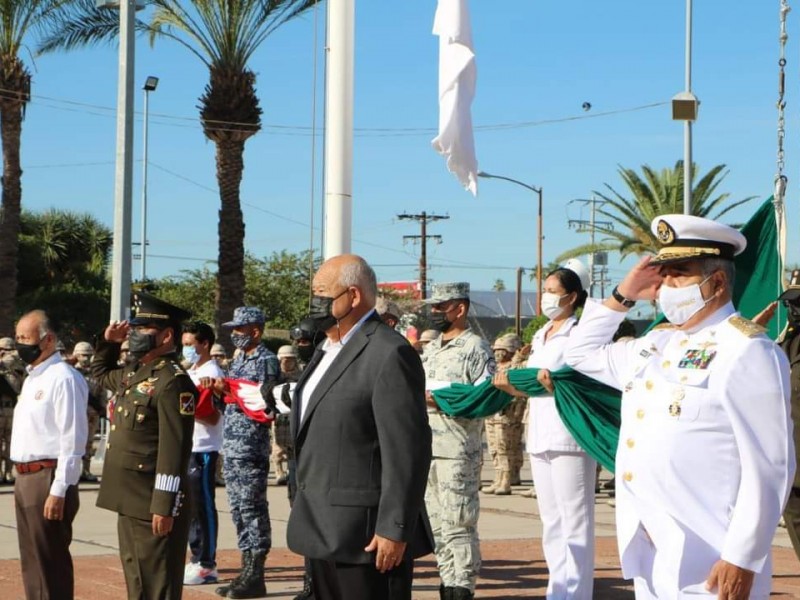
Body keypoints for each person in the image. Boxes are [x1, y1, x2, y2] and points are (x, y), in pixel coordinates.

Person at [564, 214, 795, 599]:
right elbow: (579, 353)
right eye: (663, 273)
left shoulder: (747, 351)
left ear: (717, 281)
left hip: (711, 555)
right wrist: (622, 295)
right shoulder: (656, 345)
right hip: (653, 549)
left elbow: (771, 465)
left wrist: (743, 556)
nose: (665, 285)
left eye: (678, 274)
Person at [286, 254, 433, 600]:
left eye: (322, 293)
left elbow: (407, 450)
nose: (315, 302)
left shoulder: (388, 352)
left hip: (366, 537)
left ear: (353, 296)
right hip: (320, 527)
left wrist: (394, 528)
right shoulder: (326, 348)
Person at [493, 261, 596, 599]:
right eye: (545, 291)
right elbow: (533, 384)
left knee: (575, 521)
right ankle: (558, 589)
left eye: (553, 292)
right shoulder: (541, 334)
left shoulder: (580, 333)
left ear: (573, 296)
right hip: (538, 433)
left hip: (569, 435)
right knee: (552, 521)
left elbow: (580, 380)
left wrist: (552, 385)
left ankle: (577, 593)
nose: (546, 298)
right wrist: (511, 387)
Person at [91, 292, 197, 600]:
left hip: (152, 501)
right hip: (130, 498)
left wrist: (164, 505)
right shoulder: (136, 373)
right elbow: (100, 374)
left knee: (157, 585)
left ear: (166, 336)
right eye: (134, 329)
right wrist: (109, 342)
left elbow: (174, 449)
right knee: (138, 581)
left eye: (142, 329)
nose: (134, 335)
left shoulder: (172, 381)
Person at [422, 282, 495, 600]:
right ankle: (448, 581)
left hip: (458, 451)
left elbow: (486, 396)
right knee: (437, 525)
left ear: (460, 309)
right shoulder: (431, 348)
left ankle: (462, 586)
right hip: (429, 449)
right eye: (434, 307)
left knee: (459, 522)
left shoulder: (475, 348)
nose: (434, 312)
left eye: (441, 306)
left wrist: (442, 399)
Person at [10, 310, 88, 600]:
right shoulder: (33, 378)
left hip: (48, 477)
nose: (20, 345)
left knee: (50, 564)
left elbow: (73, 438)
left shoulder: (63, 378)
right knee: (32, 563)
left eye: (25, 338)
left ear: (49, 339)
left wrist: (59, 489)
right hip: (25, 476)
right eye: (17, 337)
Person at [213, 306, 280, 599]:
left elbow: (262, 404)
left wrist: (228, 389)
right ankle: (245, 569)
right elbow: (229, 402)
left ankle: (256, 572)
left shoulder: (266, 360)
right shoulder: (238, 360)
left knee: (253, 508)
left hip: (251, 445)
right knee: (239, 509)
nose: (235, 334)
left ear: (256, 330)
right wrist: (220, 392)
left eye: (240, 329)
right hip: (232, 445)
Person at [181, 321, 225, 586]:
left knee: (203, 506)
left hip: (204, 449)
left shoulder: (212, 373)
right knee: (190, 509)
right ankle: (196, 557)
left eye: (190, 345)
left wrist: (190, 407)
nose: (186, 350)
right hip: (189, 446)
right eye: (184, 345)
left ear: (205, 344)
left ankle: (206, 563)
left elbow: (211, 416)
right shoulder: (193, 371)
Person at [761, 269, 800, 564]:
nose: (793, 309)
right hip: (791, 466)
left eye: (799, 302)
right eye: (789, 303)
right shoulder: (782, 344)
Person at [482, 333, 525, 496]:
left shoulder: (517, 366)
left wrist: (518, 358)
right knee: (493, 448)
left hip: (508, 414)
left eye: (502, 349)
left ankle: (506, 480)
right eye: (496, 349)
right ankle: (498, 477)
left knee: (504, 448)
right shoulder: (494, 366)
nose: (498, 353)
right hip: (492, 413)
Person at [72, 341, 106, 483]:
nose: (86, 358)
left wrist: (102, 407)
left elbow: (102, 391)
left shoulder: (96, 372)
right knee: (74, 444)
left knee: (89, 443)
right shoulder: (72, 371)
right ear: (76, 355)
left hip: (92, 412)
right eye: (83, 355)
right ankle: (73, 472)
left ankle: (86, 470)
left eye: (89, 355)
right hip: (76, 413)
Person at [272, 345, 300, 486]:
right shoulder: (276, 375)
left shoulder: (301, 374)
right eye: (284, 359)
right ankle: (278, 471)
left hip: (295, 413)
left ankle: (292, 470)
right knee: (278, 445)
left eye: (290, 359)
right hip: (279, 414)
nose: (286, 362)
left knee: (295, 444)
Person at [0, 336, 25, 484]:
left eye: (8, 350)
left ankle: (9, 472)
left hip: (13, 411)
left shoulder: (18, 367)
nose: (5, 353)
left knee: (11, 444)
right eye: (2, 350)